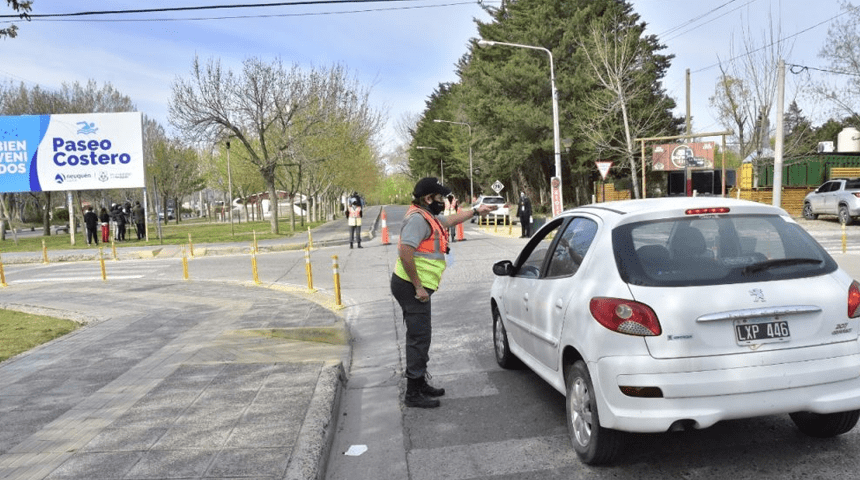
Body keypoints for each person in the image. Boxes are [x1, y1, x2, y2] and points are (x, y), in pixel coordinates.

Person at [391, 177, 497, 408]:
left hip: (415, 286)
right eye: (440, 198)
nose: (443, 201)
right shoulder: (418, 220)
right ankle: (413, 392)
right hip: (410, 287)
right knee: (419, 338)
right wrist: (418, 285)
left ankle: (419, 383)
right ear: (428, 199)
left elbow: (448, 220)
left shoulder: (426, 214)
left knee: (421, 336)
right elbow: (405, 252)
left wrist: (476, 211)